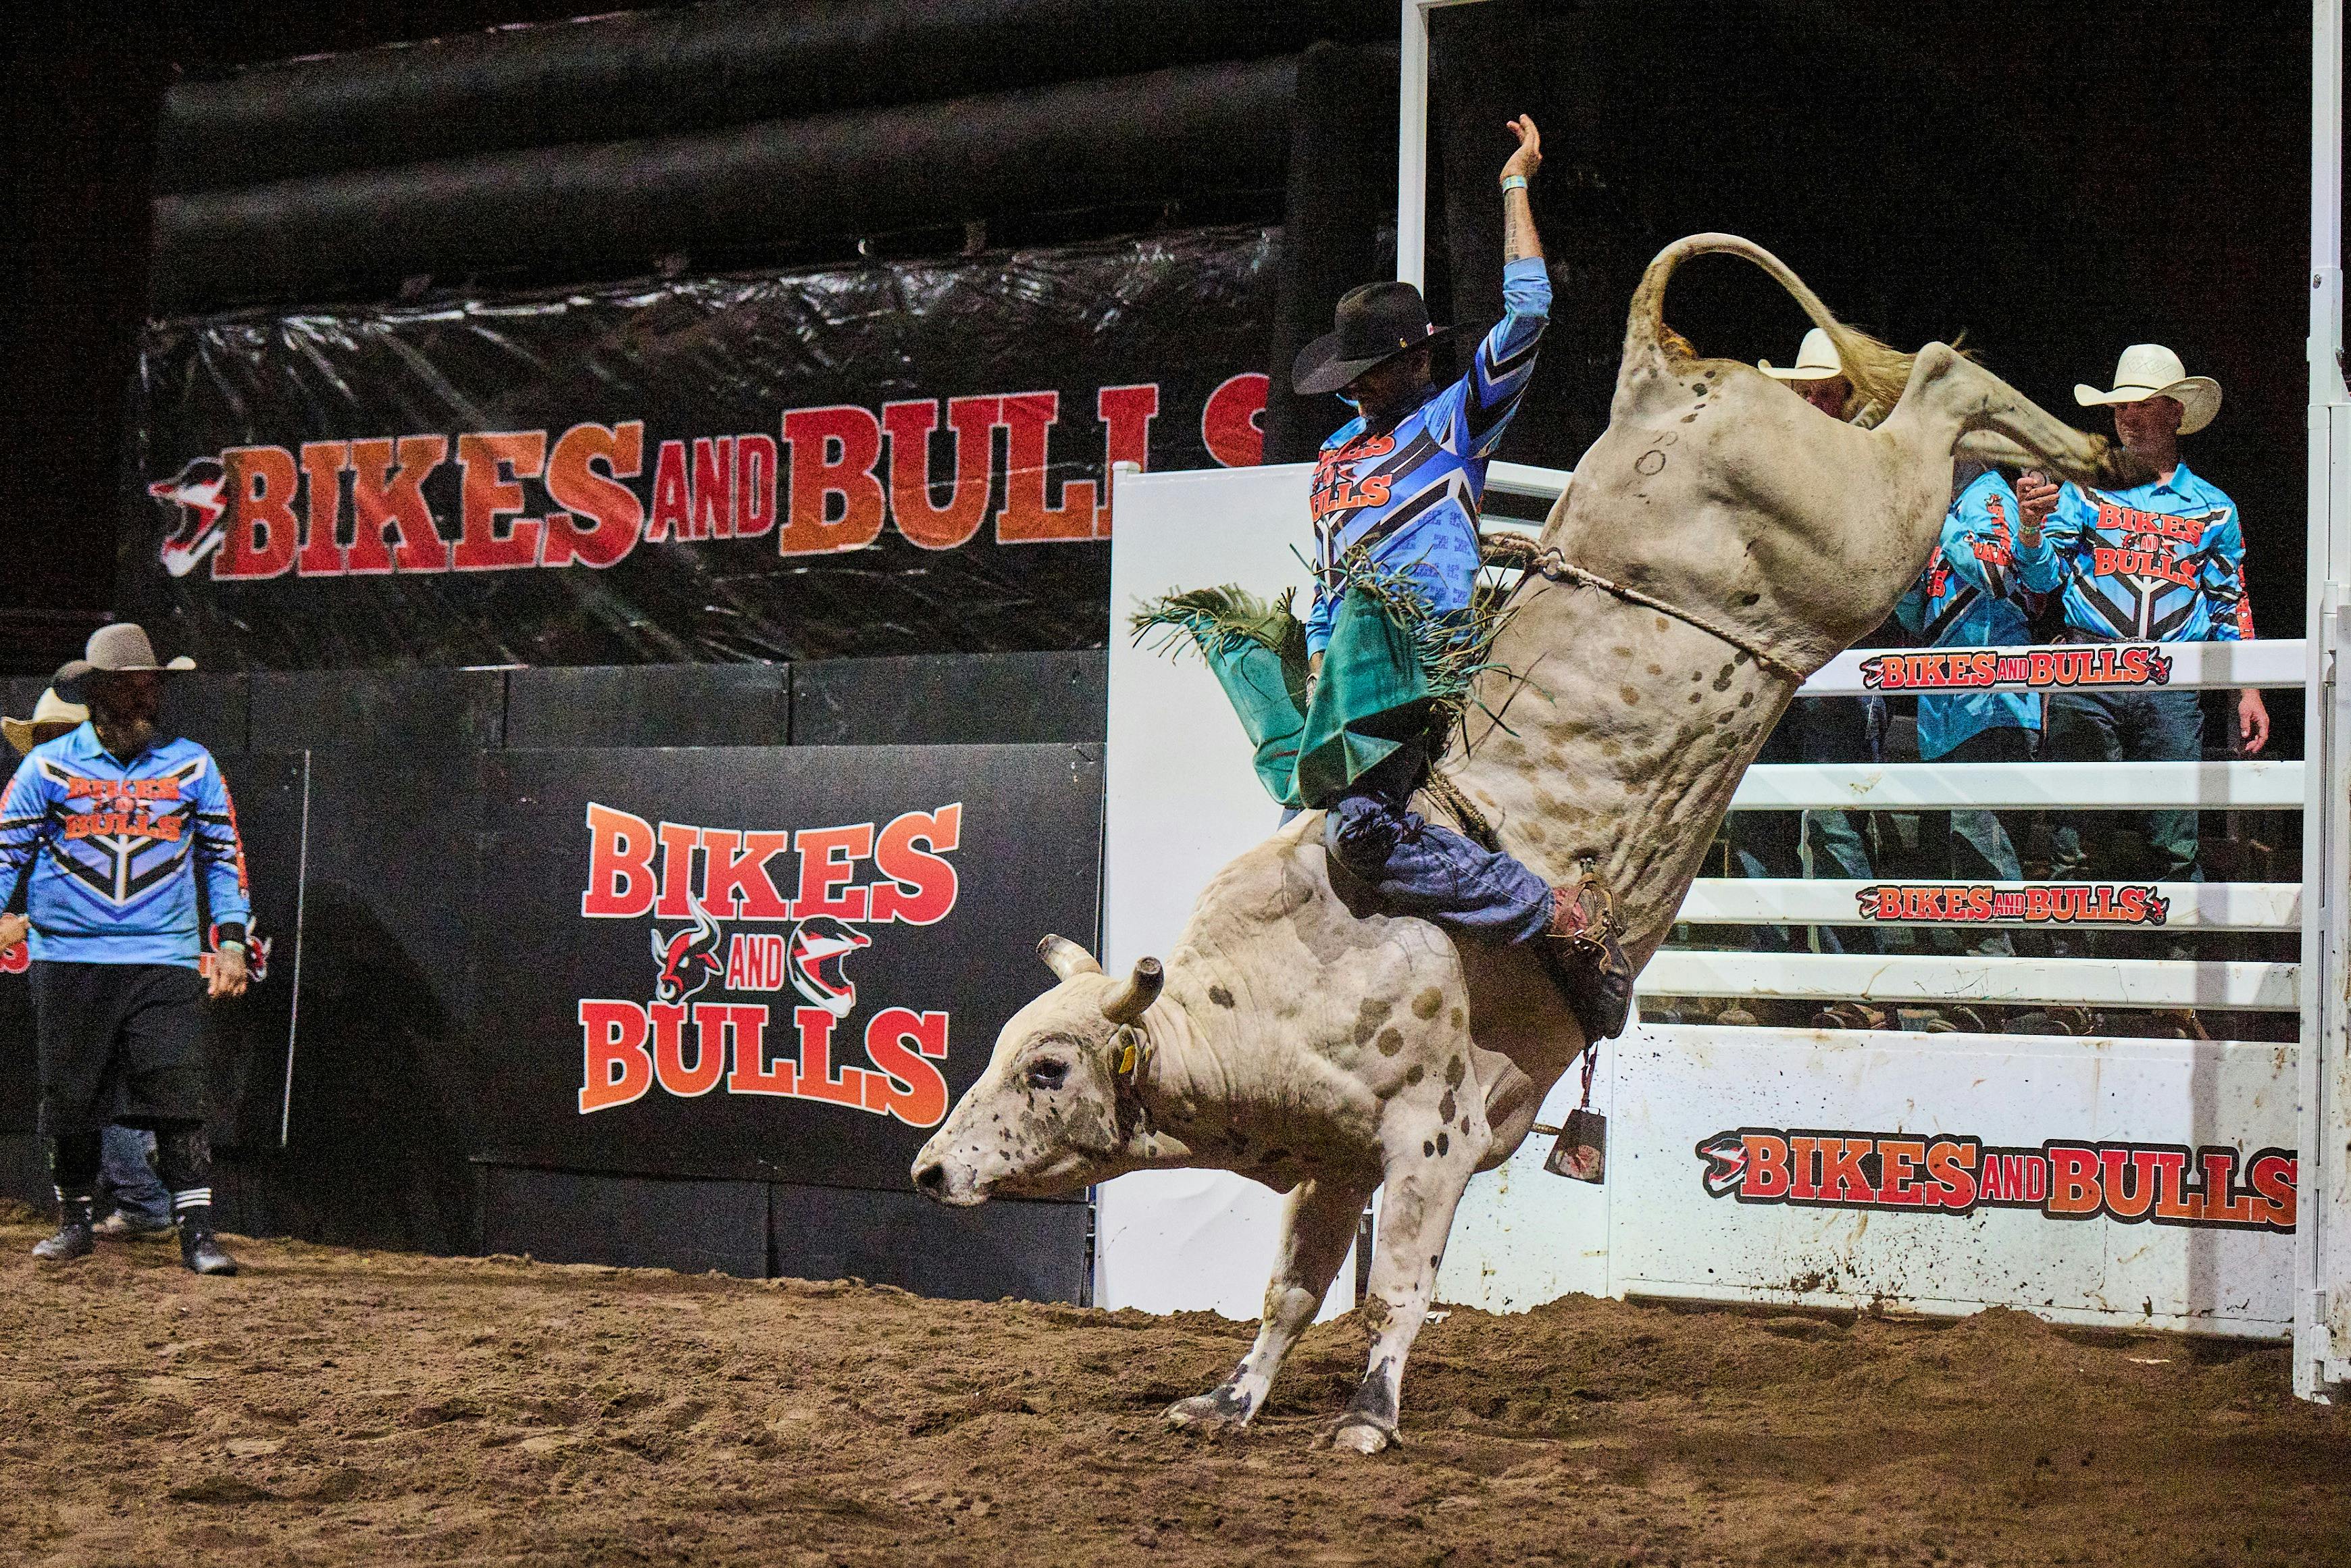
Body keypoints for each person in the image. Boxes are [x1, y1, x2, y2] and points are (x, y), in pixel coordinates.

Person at [1139, 114, 1632, 1044]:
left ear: (1416, 360)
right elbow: (1332, 583)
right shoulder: (1335, 456)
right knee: (1295, 827)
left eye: (1371, 371)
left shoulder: (1454, 422)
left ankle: (1548, 912)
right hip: (1352, 669)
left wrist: (1515, 184)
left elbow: (1528, 315)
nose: (1356, 388)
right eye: (1352, 374)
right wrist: (1318, 665)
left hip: (1420, 657)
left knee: (1358, 829)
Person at [0, 624, 250, 1275]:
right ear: (97, 693)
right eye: (131, 687)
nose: (145, 698)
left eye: (152, 686)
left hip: (163, 956)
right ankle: (75, 1222)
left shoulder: (192, 765)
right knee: (70, 1096)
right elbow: (5, 852)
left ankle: (197, 1233)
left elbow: (223, 856)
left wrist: (230, 940)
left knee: (179, 1093)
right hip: (69, 957)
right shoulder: (46, 767)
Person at [2013, 345, 2267, 924]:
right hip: (2089, 672)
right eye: (2120, 406)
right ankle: (2072, 971)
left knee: (2174, 840)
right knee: (2075, 837)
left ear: (2174, 412)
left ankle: (2173, 969)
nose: (2126, 416)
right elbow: (2044, 578)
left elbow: (2229, 603)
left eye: (2141, 404)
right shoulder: (2084, 490)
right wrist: (2029, 529)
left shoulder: (2214, 509)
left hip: (2171, 681)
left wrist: (2249, 690)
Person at [1, 683, 175, 1240]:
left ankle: (142, 1197)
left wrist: (23, 923)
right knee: (87, 1080)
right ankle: (140, 1194)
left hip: (96, 959)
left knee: (93, 1081)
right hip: (66, 960)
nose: (50, 747)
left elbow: (103, 889)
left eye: (61, 735)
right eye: (44, 738)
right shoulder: (38, 791)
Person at [1733, 330, 1886, 962]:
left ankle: (1855, 978)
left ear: (1848, 402)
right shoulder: (1772, 467)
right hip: (1774, 664)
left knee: (1833, 822)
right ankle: (1776, 975)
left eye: (1828, 394)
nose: (1815, 404)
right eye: (1808, 393)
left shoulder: (1867, 471)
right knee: (1759, 818)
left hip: (1834, 670)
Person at [1891, 464, 2043, 959]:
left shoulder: (1988, 493)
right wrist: (1907, 577)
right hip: (1944, 711)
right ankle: (1984, 977)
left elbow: (1997, 573)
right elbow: (1916, 616)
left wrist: (1939, 519)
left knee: (1983, 846)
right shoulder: (1950, 509)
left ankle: (2006, 977)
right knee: (1951, 856)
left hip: (1992, 703)